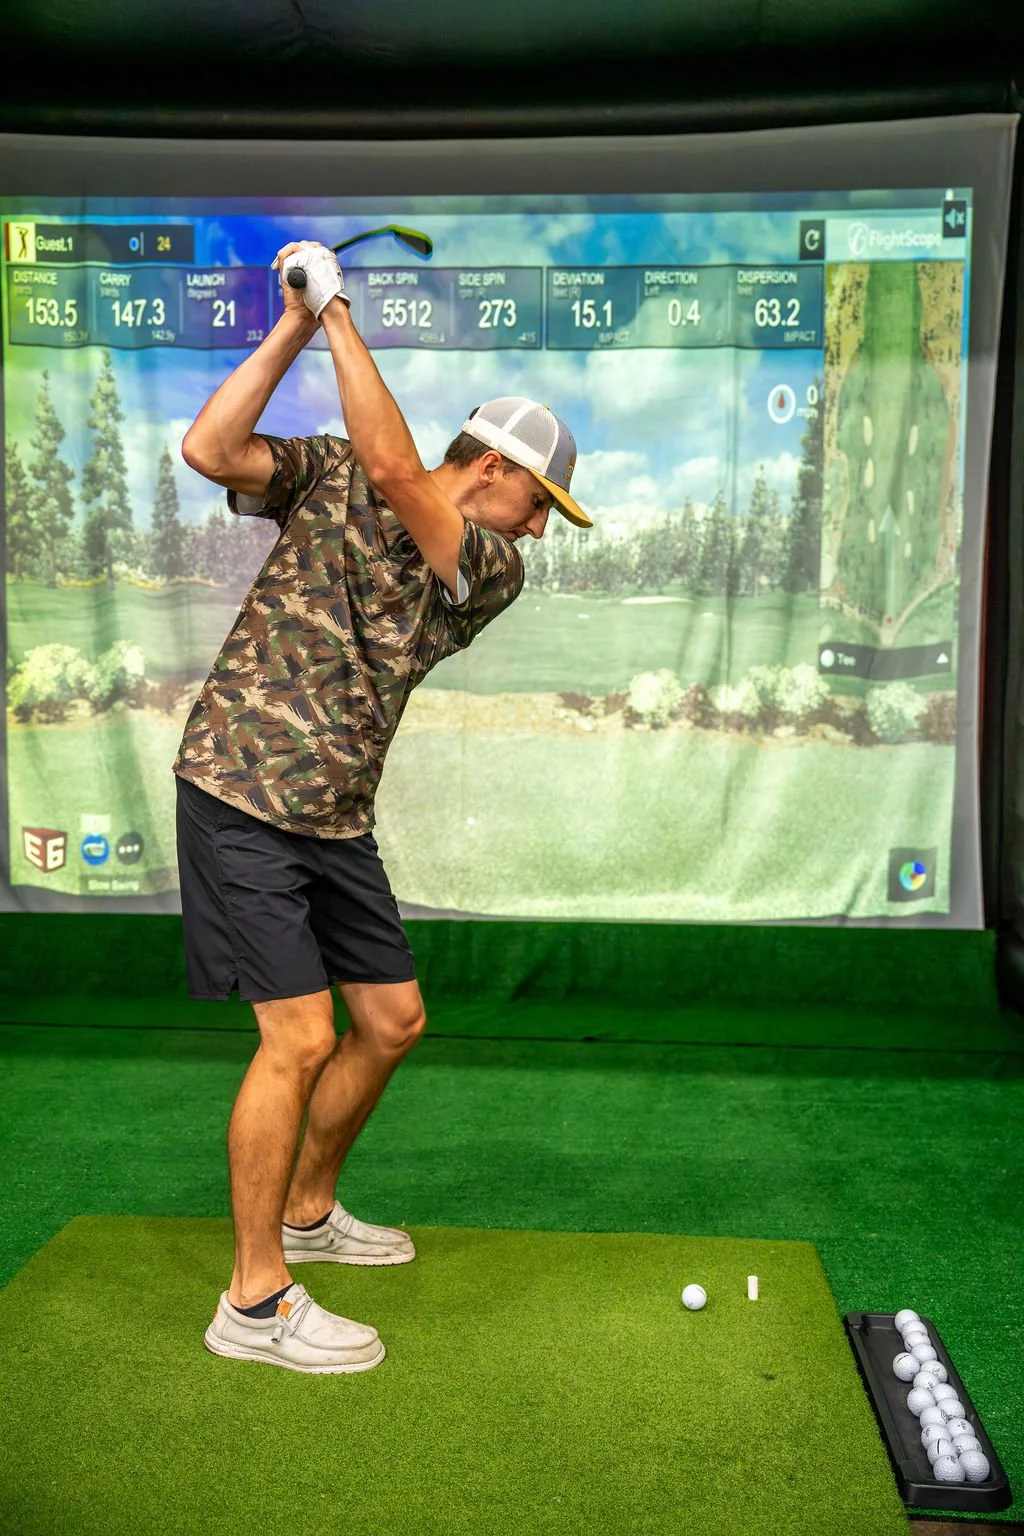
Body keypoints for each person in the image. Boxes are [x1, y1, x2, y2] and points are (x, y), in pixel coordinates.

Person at [172, 239, 591, 1373]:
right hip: (242, 785)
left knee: (393, 1021)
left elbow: (402, 476)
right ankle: (254, 1300)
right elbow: (209, 446)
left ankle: (308, 1212)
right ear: (496, 468)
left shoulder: (487, 567)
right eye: (543, 501)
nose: (544, 529)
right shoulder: (328, 471)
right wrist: (297, 323)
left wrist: (341, 309)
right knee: (299, 1035)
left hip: (335, 812)